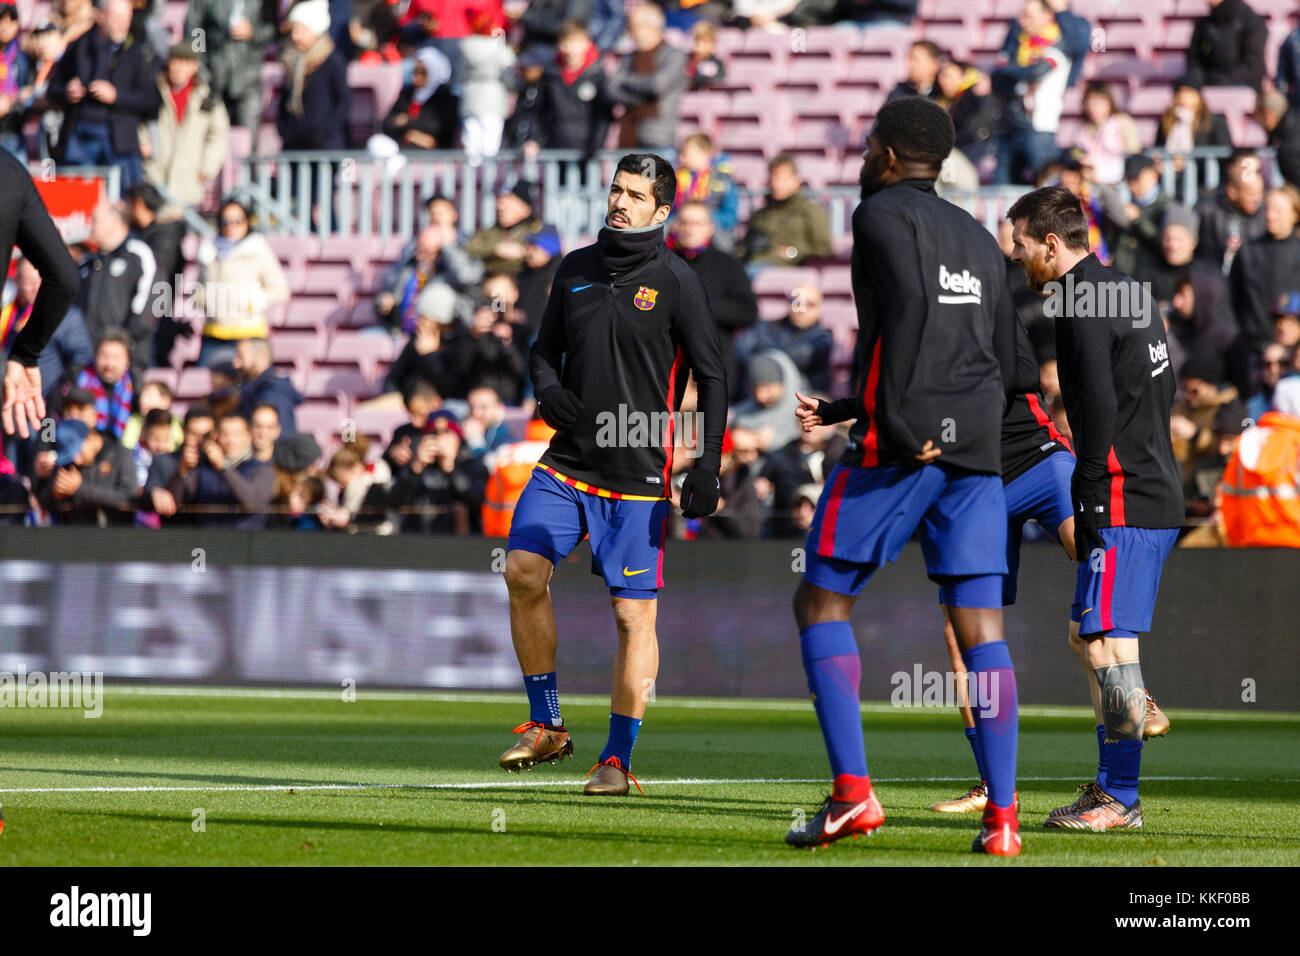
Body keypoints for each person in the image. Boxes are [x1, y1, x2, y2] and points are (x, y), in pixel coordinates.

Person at [785, 97, 1021, 854]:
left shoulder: (880, 214)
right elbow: (1012, 364)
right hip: (976, 449)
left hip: (903, 445)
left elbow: (912, 309)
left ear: (886, 154)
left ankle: (853, 796)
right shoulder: (982, 237)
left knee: (820, 603)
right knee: (980, 631)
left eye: (867, 146)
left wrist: (899, 422)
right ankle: (1004, 818)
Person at [498, 153, 726, 797]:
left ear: (662, 210)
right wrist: (546, 392)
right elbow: (543, 351)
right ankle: (547, 725)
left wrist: (707, 463)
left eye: (635, 195)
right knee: (521, 572)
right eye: (616, 189)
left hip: (635, 478)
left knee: (632, 619)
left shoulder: (679, 280)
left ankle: (618, 761)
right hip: (567, 463)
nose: (620, 202)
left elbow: (712, 376)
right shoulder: (574, 268)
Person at [1007, 185, 1184, 831]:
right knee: (1088, 637)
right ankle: (1125, 744)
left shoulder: (1078, 302)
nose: (1018, 258)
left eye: (1022, 246)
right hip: (1148, 483)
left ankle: (1121, 799)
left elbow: (1101, 409)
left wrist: (1087, 494)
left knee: (1107, 646)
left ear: (1051, 244)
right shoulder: (1131, 290)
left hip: (1123, 495)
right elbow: (1160, 392)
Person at [48, 0, 159, 188]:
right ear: (100, 17)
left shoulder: (137, 50)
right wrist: (67, 90)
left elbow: (151, 100)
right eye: (117, 18)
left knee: (120, 203)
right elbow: (53, 89)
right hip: (80, 137)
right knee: (79, 201)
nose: (123, 24)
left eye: (127, 18)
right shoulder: (78, 46)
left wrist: (116, 96)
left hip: (119, 142)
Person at [667, 201, 756, 401]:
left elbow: (748, 312)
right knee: (673, 428)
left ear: (710, 228)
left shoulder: (728, 264)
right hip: (670, 362)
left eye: (697, 223)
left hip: (714, 359)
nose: (690, 229)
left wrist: (700, 306)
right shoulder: (664, 263)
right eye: (685, 223)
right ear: (676, 226)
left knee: (705, 428)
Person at [194, 199, 290, 367]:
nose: (231, 226)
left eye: (237, 221)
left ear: (246, 221)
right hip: (214, 333)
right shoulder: (209, 251)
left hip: (248, 334)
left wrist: (252, 301)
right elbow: (200, 286)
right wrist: (204, 298)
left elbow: (280, 290)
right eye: (225, 221)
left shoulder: (258, 250)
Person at [991, 0, 1071, 186]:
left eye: (1029, 16)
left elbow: (1032, 73)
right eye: (1022, 15)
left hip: (1038, 129)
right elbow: (997, 78)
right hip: (1010, 125)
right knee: (1003, 190)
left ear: (1047, 16)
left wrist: (1008, 68)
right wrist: (1010, 70)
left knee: (1046, 189)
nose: (1022, 21)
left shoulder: (1056, 45)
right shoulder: (1017, 43)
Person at [142, 44, 230, 209]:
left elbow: (219, 134)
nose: (178, 68)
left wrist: (207, 167)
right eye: (175, 62)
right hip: (155, 174)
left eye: (185, 62)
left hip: (188, 178)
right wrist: (144, 144)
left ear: (194, 66)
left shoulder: (206, 97)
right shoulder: (154, 90)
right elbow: (139, 121)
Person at [75, 201, 157, 371]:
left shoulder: (139, 255)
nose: (89, 226)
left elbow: (151, 308)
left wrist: (120, 343)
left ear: (114, 222)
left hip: (127, 362)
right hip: (89, 360)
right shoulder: (88, 262)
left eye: (94, 220)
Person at [1, 257, 93, 404]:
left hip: (43, 399)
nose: (35, 288)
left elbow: (82, 355)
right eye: (28, 282)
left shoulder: (64, 315)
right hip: (8, 394)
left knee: (45, 427)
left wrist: (61, 390)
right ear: (17, 280)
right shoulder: (7, 311)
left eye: (40, 282)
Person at [1221, 377, 1300, 546]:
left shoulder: (1247, 440)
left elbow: (1229, 497)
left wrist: (1235, 541)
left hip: (1252, 542)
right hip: (1295, 541)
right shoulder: (1297, 443)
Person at [166, 412, 274, 529]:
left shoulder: (262, 469)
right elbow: (174, 504)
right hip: (206, 543)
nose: (230, 441)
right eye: (225, 434)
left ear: (248, 437)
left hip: (247, 543)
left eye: (236, 435)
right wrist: (182, 470)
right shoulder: (202, 469)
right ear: (216, 436)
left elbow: (251, 502)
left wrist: (223, 468)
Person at [184, 0, 279, 131]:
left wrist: (253, 33)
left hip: (248, 77)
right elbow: (194, 28)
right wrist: (200, 60)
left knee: (247, 141)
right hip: (212, 77)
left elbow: (272, 29)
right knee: (210, 137)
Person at [1229, 185, 1300, 353]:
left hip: (1293, 352)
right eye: (1268, 209)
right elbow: (1233, 298)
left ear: (1294, 214)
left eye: (1278, 212)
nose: (1270, 216)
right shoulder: (1247, 251)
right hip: (1252, 347)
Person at [607, 4, 686, 150]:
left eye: (635, 28)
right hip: (628, 135)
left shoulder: (674, 55)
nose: (631, 33)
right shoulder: (628, 58)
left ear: (653, 28)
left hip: (658, 136)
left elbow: (657, 85)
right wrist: (638, 98)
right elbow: (612, 88)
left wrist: (626, 80)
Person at [527, 21, 610, 159]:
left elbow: (603, 116)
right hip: (555, 148)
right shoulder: (550, 74)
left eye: (576, 43)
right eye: (566, 43)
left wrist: (596, 146)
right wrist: (535, 139)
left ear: (587, 44)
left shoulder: (597, 75)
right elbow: (538, 111)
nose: (571, 50)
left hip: (588, 152)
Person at [277, 0, 350, 151]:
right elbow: (285, 103)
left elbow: (344, 103)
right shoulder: (293, 62)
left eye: (301, 30)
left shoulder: (332, 60)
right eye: (293, 30)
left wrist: (322, 132)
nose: (296, 36)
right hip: (295, 147)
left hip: (325, 147)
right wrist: (286, 131)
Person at [738, 153, 833, 268]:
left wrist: (793, 253)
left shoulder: (810, 211)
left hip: (785, 269)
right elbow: (742, 248)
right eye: (773, 179)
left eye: (782, 179)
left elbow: (825, 250)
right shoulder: (761, 214)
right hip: (751, 262)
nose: (776, 184)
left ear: (796, 180)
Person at [734, 286, 832, 394]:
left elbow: (799, 356)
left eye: (810, 304)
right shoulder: (763, 327)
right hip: (755, 396)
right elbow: (741, 352)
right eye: (796, 302)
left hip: (802, 400)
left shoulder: (823, 337)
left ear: (819, 309)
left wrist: (763, 356)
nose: (801, 308)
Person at [382, 281, 469, 397]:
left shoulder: (457, 344)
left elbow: (451, 388)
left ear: (441, 322)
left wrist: (429, 355)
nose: (418, 322)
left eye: (425, 318)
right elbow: (393, 380)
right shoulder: (414, 342)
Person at [1154, 78, 1233, 195]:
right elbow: (1158, 150)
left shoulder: (1214, 122)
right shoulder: (1167, 122)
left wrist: (1187, 161)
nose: (1183, 98)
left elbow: (1224, 154)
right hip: (1172, 181)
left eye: (1188, 93)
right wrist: (1168, 162)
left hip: (1203, 183)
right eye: (1179, 93)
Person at [1194, 151, 1265, 277]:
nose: (1257, 199)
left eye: (1259, 193)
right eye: (1251, 194)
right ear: (1232, 191)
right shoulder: (1207, 210)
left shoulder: (1265, 215)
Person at [458, 10, 514, 161]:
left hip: (471, 95)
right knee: (490, 144)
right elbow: (509, 75)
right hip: (493, 96)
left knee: (471, 143)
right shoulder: (499, 48)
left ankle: (471, 178)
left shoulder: (464, 46)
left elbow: (460, 75)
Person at [381, 47, 459, 150]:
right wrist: (411, 133)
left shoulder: (445, 96)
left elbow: (439, 127)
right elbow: (387, 123)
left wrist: (407, 122)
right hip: (403, 145)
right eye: (414, 72)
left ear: (433, 72)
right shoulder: (408, 93)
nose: (416, 78)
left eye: (422, 73)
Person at [672, 133, 739, 251]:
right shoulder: (678, 177)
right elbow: (671, 212)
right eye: (681, 154)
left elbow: (730, 216)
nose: (681, 158)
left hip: (713, 237)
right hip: (681, 231)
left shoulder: (722, 179)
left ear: (704, 153)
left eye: (686, 154)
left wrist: (702, 220)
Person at [1184, 0, 1266, 92]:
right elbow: (1194, 61)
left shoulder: (1251, 21)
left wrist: (1222, 84)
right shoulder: (1203, 25)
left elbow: (1253, 67)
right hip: (1208, 88)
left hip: (1240, 91)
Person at [463, 182, 543, 276]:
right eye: (499, 202)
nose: (500, 207)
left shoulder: (540, 230)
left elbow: (550, 257)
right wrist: (496, 248)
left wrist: (524, 252)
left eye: (507, 202)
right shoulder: (489, 232)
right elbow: (468, 248)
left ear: (524, 207)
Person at [1074, 82, 1140, 187]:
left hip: (1118, 180)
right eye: (1089, 103)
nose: (1093, 107)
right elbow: (1077, 150)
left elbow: (1133, 152)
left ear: (1109, 103)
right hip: (1088, 177)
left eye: (1098, 102)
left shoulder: (1122, 122)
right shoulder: (1083, 127)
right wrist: (1083, 160)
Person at [235, 337, 302, 435]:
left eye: (241, 356)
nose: (236, 364)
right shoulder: (252, 390)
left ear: (261, 356)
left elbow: (278, 440)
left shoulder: (274, 394)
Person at [1254, 89, 1300, 190]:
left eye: (1256, 116)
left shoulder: (1288, 150)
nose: (1256, 121)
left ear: (1268, 116)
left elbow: (1296, 190)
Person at [885, 39, 942, 104]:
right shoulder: (898, 94)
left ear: (934, 64)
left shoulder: (944, 96)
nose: (910, 65)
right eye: (910, 59)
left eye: (916, 59)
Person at [685, 20, 724, 92]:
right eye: (696, 41)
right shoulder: (684, 59)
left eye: (703, 42)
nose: (698, 45)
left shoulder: (716, 63)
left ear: (711, 44)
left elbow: (717, 80)